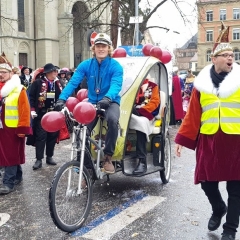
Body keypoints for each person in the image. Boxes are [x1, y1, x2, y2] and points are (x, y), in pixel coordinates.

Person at [175, 22, 240, 240]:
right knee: (205, 181)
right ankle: (218, 207)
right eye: (225, 55)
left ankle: (230, 229)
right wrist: (181, 139)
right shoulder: (201, 84)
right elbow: (193, 114)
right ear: (214, 59)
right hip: (209, 139)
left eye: (232, 54)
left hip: (236, 141)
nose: (230, 58)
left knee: (236, 189)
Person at [55, 32, 123, 174]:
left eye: (104, 46)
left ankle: (108, 157)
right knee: (81, 130)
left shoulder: (116, 66)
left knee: (112, 120)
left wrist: (108, 98)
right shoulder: (85, 65)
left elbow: (116, 85)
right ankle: (85, 166)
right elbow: (73, 82)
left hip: (110, 102)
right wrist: (62, 98)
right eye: (98, 46)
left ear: (109, 48)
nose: (101, 49)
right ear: (94, 48)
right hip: (92, 102)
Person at [0, 52, 31, 194]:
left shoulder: (19, 89)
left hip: (13, 129)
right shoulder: (1, 90)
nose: (1, 74)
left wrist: (23, 128)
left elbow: (25, 110)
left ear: (10, 74)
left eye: (4, 72)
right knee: (6, 154)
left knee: (10, 155)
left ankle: (8, 183)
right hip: (2, 128)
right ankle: (17, 175)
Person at [28, 63, 62, 170]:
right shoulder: (38, 83)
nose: (55, 73)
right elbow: (31, 97)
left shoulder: (58, 83)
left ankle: (49, 156)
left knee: (52, 136)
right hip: (41, 114)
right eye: (53, 71)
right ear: (47, 73)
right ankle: (39, 159)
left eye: (56, 71)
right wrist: (32, 110)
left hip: (54, 114)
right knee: (41, 137)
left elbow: (62, 96)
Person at [132, 78, 160, 174]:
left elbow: (155, 103)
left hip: (146, 114)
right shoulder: (130, 83)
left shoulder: (153, 86)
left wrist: (142, 111)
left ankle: (142, 160)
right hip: (130, 112)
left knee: (141, 123)